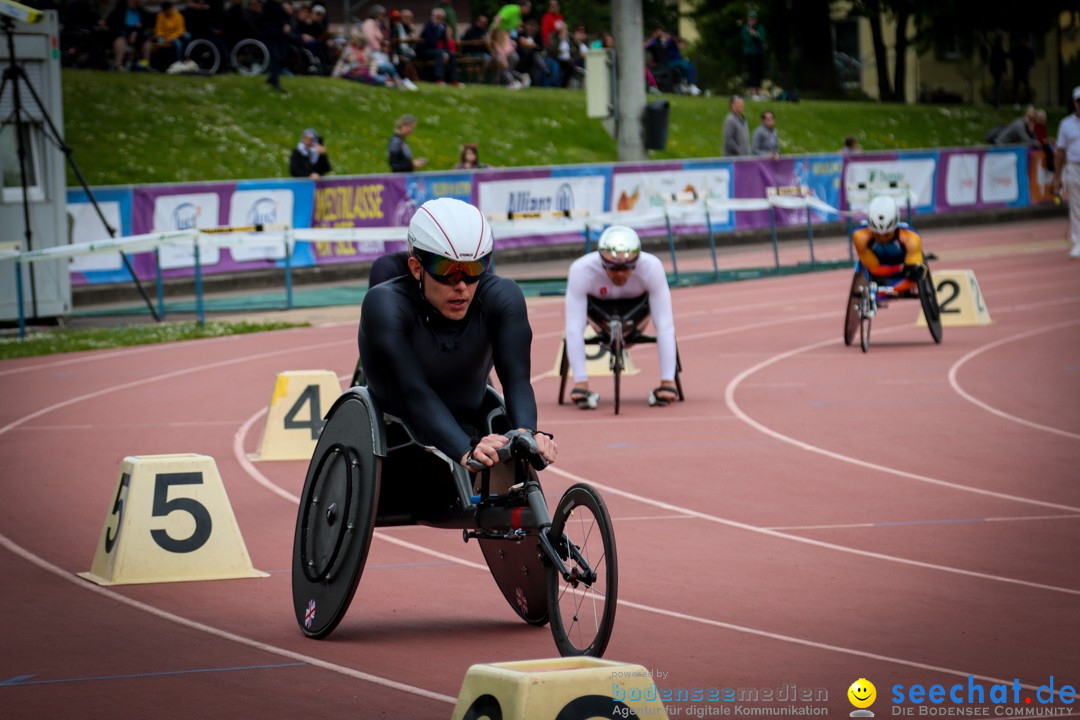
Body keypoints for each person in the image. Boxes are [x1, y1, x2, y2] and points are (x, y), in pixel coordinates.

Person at [358, 197, 557, 473]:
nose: (461, 286)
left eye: (474, 269)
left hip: (470, 417)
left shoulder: (503, 297)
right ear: (417, 268)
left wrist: (527, 433)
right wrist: (465, 451)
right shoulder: (383, 304)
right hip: (397, 428)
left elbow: (517, 378)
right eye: (447, 271)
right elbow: (413, 391)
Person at [564, 225, 678, 410]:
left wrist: (668, 382)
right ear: (602, 260)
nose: (619, 274)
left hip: (637, 318)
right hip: (599, 319)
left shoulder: (652, 267)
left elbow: (664, 325)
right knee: (574, 326)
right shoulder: (581, 269)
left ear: (636, 261)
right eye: (612, 268)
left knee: (664, 325)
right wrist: (581, 383)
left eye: (626, 268)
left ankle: (668, 379)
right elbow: (574, 328)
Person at [850, 195, 928, 296]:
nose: (882, 238)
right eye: (877, 234)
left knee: (916, 274)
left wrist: (911, 272)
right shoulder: (860, 237)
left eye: (887, 234)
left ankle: (881, 292)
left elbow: (913, 278)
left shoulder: (911, 239)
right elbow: (874, 269)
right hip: (879, 267)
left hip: (902, 267)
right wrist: (899, 269)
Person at [1051, 86, 1080, 259]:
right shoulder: (1066, 124)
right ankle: (1078, 241)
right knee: (1076, 206)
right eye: (1079, 101)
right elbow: (1060, 151)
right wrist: (1057, 176)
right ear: (1074, 102)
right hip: (1074, 167)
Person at [417, 6, 461, 85]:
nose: (440, 19)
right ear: (433, 17)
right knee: (440, 54)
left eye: (442, 17)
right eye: (438, 17)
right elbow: (431, 41)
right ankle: (439, 79)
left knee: (452, 55)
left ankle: (454, 80)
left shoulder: (442, 26)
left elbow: (445, 42)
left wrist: (446, 52)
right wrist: (443, 52)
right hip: (424, 50)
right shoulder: (429, 25)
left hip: (436, 51)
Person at [106, 0, 152, 71]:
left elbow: (145, 24)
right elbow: (112, 23)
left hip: (136, 35)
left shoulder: (141, 11)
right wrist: (129, 32)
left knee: (147, 43)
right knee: (120, 40)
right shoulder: (120, 9)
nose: (137, 3)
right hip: (121, 34)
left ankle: (144, 65)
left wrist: (136, 31)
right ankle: (118, 65)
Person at [741, 9, 766, 100]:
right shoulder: (745, 28)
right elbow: (746, 40)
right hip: (750, 53)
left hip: (758, 53)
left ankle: (759, 92)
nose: (752, 20)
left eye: (754, 18)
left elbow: (762, 38)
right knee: (752, 72)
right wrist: (750, 33)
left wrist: (755, 34)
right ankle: (753, 92)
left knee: (759, 72)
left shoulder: (760, 27)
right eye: (750, 19)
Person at [989, 34, 1006, 108]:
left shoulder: (994, 47)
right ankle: (996, 101)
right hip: (998, 70)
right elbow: (1001, 59)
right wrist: (1004, 69)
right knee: (998, 85)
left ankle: (995, 100)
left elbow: (992, 60)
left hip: (995, 70)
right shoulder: (999, 48)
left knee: (997, 85)